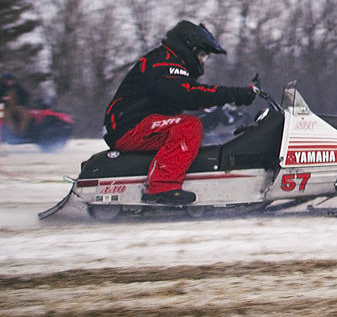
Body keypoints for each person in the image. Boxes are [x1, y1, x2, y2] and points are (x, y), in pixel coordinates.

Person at [103, 20, 255, 205]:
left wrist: (220, 109)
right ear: (188, 47)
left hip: (136, 123)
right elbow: (189, 93)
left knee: (195, 127)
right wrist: (236, 94)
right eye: (201, 54)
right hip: (130, 126)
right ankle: (162, 187)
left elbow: (186, 97)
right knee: (188, 126)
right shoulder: (164, 63)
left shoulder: (164, 61)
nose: (201, 61)